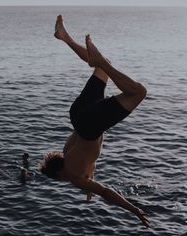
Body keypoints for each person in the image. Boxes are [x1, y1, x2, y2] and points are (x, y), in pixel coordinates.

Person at [39, 15, 150, 227]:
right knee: (104, 65)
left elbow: (107, 192)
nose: (65, 181)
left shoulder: (75, 177)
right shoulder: (68, 152)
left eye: (61, 179)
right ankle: (64, 37)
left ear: (60, 174)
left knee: (138, 93)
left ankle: (97, 60)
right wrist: (89, 191)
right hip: (78, 114)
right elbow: (90, 163)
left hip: (91, 125)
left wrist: (134, 209)